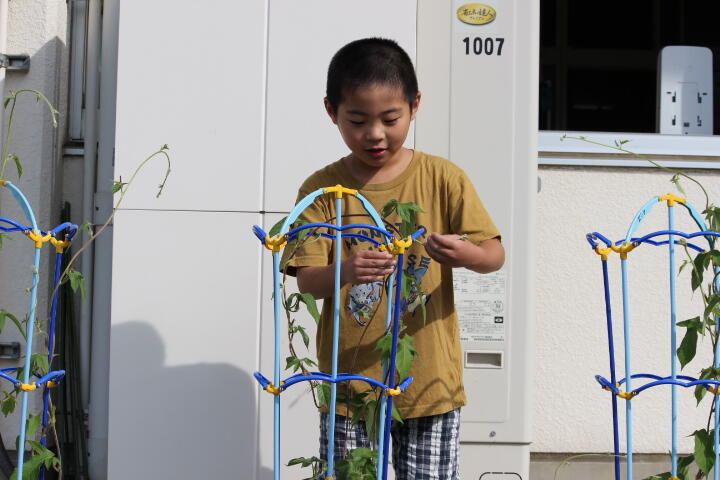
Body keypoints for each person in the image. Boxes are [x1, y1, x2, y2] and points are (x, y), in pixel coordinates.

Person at [283, 37, 504, 480]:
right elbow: (307, 281)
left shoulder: (443, 178)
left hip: (429, 381)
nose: (375, 134)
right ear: (331, 111)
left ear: (415, 105)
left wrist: (467, 254)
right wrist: (346, 270)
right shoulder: (322, 191)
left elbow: (494, 255)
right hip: (350, 384)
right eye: (357, 120)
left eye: (390, 118)